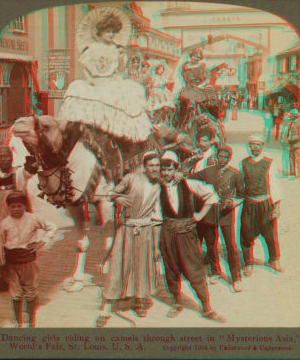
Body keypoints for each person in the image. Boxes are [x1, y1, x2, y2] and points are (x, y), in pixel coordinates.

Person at [59, 8, 152, 143]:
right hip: (95, 82)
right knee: (75, 87)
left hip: (112, 81)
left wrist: (121, 59)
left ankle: (121, 131)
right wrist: (91, 80)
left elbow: (119, 71)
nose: (111, 35)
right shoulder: (91, 48)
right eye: (108, 31)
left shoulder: (115, 49)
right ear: (100, 32)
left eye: (113, 32)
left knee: (133, 89)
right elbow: (86, 68)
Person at [95, 151, 162, 327]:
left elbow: (157, 219)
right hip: (125, 230)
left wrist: (156, 247)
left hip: (145, 231)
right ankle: (106, 309)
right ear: (145, 167)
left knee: (141, 267)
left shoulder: (158, 186)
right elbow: (109, 194)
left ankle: (139, 301)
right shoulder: (131, 178)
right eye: (151, 165)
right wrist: (118, 198)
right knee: (118, 266)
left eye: (157, 165)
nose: (155, 169)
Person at [159, 151, 225, 322]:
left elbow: (212, 196)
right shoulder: (157, 186)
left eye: (169, 169)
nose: (165, 173)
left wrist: (199, 215)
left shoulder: (188, 183)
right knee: (171, 268)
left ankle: (206, 307)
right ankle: (175, 303)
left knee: (193, 269)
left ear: (176, 169)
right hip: (167, 233)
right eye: (163, 170)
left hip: (187, 234)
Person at [189, 146, 244, 292]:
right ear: (216, 156)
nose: (222, 159)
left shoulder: (234, 174)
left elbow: (241, 194)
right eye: (220, 156)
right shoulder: (207, 171)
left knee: (230, 246)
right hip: (209, 214)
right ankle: (215, 272)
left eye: (225, 157)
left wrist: (233, 202)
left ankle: (236, 278)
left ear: (229, 158)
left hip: (225, 214)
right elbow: (189, 177)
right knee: (211, 244)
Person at [0, 191, 57, 328]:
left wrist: (43, 241)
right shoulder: (4, 223)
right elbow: (1, 243)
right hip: (11, 262)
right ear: (8, 207)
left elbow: (52, 227)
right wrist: (2, 263)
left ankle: (30, 321)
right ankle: (17, 320)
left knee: (30, 290)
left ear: (25, 206)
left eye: (19, 206)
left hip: (28, 260)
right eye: (13, 206)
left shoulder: (33, 218)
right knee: (15, 292)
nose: (16, 209)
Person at [240, 134, 283, 276]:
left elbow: (274, 185)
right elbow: (240, 184)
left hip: (265, 204)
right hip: (248, 205)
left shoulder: (269, 162)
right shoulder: (243, 162)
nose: (254, 147)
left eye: (257, 145)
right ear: (249, 146)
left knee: (269, 233)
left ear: (262, 146)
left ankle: (274, 259)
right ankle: (248, 262)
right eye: (252, 144)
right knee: (246, 233)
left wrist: (276, 207)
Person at [286, 109, 300, 178]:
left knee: (298, 160)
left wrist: (292, 138)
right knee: (291, 158)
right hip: (291, 144)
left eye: (291, 115)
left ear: (295, 115)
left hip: (297, 144)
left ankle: (298, 174)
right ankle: (292, 174)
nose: (290, 116)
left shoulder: (299, 122)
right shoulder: (292, 122)